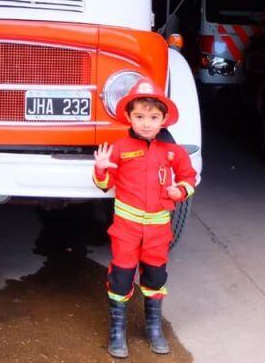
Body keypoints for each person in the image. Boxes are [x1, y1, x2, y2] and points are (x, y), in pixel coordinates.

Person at [93, 78, 197, 358]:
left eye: (153, 117)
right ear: (128, 117)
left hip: (158, 233)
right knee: (121, 279)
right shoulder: (119, 147)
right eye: (139, 116)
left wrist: (179, 191)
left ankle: (153, 328)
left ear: (164, 119)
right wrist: (101, 169)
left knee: (155, 277)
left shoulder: (172, 151)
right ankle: (117, 331)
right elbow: (104, 185)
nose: (146, 122)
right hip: (126, 231)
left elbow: (189, 177)